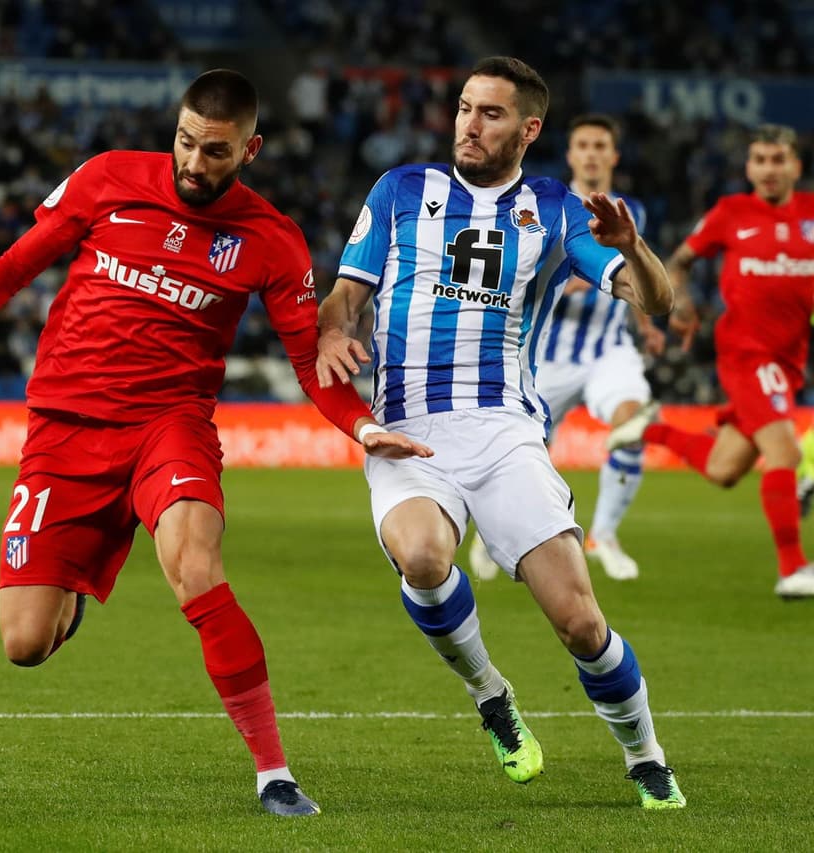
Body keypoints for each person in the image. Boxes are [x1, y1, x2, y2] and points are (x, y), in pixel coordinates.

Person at [0, 69, 430, 817]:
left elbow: (307, 363)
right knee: (25, 643)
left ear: (250, 150)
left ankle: (274, 773)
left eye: (216, 152)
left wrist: (360, 425)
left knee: (196, 567)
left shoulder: (271, 239)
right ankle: (77, 592)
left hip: (170, 427)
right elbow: (15, 265)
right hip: (63, 431)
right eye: (187, 142)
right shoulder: (108, 179)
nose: (195, 162)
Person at [317, 56, 686, 809]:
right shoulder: (400, 190)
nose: (469, 125)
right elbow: (346, 294)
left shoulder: (552, 208)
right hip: (405, 426)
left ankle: (644, 753)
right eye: (463, 108)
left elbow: (657, 300)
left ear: (528, 128)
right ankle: (492, 694)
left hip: (504, 430)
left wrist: (632, 248)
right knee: (422, 556)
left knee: (581, 621)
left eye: (488, 113)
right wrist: (332, 334)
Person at [609, 124, 814, 599]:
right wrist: (679, 303)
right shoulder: (731, 213)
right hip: (746, 352)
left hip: (790, 359)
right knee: (784, 452)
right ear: (748, 167)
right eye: (759, 159)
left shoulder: (810, 214)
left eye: (778, 159)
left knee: (725, 469)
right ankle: (793, 569)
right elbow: (679, 260)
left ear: (795, 166)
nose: (768, 168)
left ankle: (651, 428)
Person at [467, 114, 660, 582]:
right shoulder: (545, 204)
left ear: (613, 156)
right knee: (513, 456)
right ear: (571, 154)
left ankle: (605, 535)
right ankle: (487, 532)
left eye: (601, 145)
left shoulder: (632, 209)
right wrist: (569, 276)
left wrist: (644, 321)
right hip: (547, 356)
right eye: (583, 145)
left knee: (632, 422)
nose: (592, 153)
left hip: (607, 351)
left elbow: (634, 271)